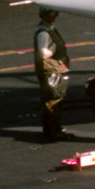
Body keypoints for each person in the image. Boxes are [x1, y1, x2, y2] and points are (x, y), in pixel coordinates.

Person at [33, 8, 74, 142]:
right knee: (53, 102)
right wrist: (55, 47)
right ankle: (53, 132)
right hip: (51, 71)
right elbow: (44, 53)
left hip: (55, 69)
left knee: (54, 101)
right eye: (51, 15)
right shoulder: (43, 33)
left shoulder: (48, 28)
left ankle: (54, 130)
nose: (53, 17)